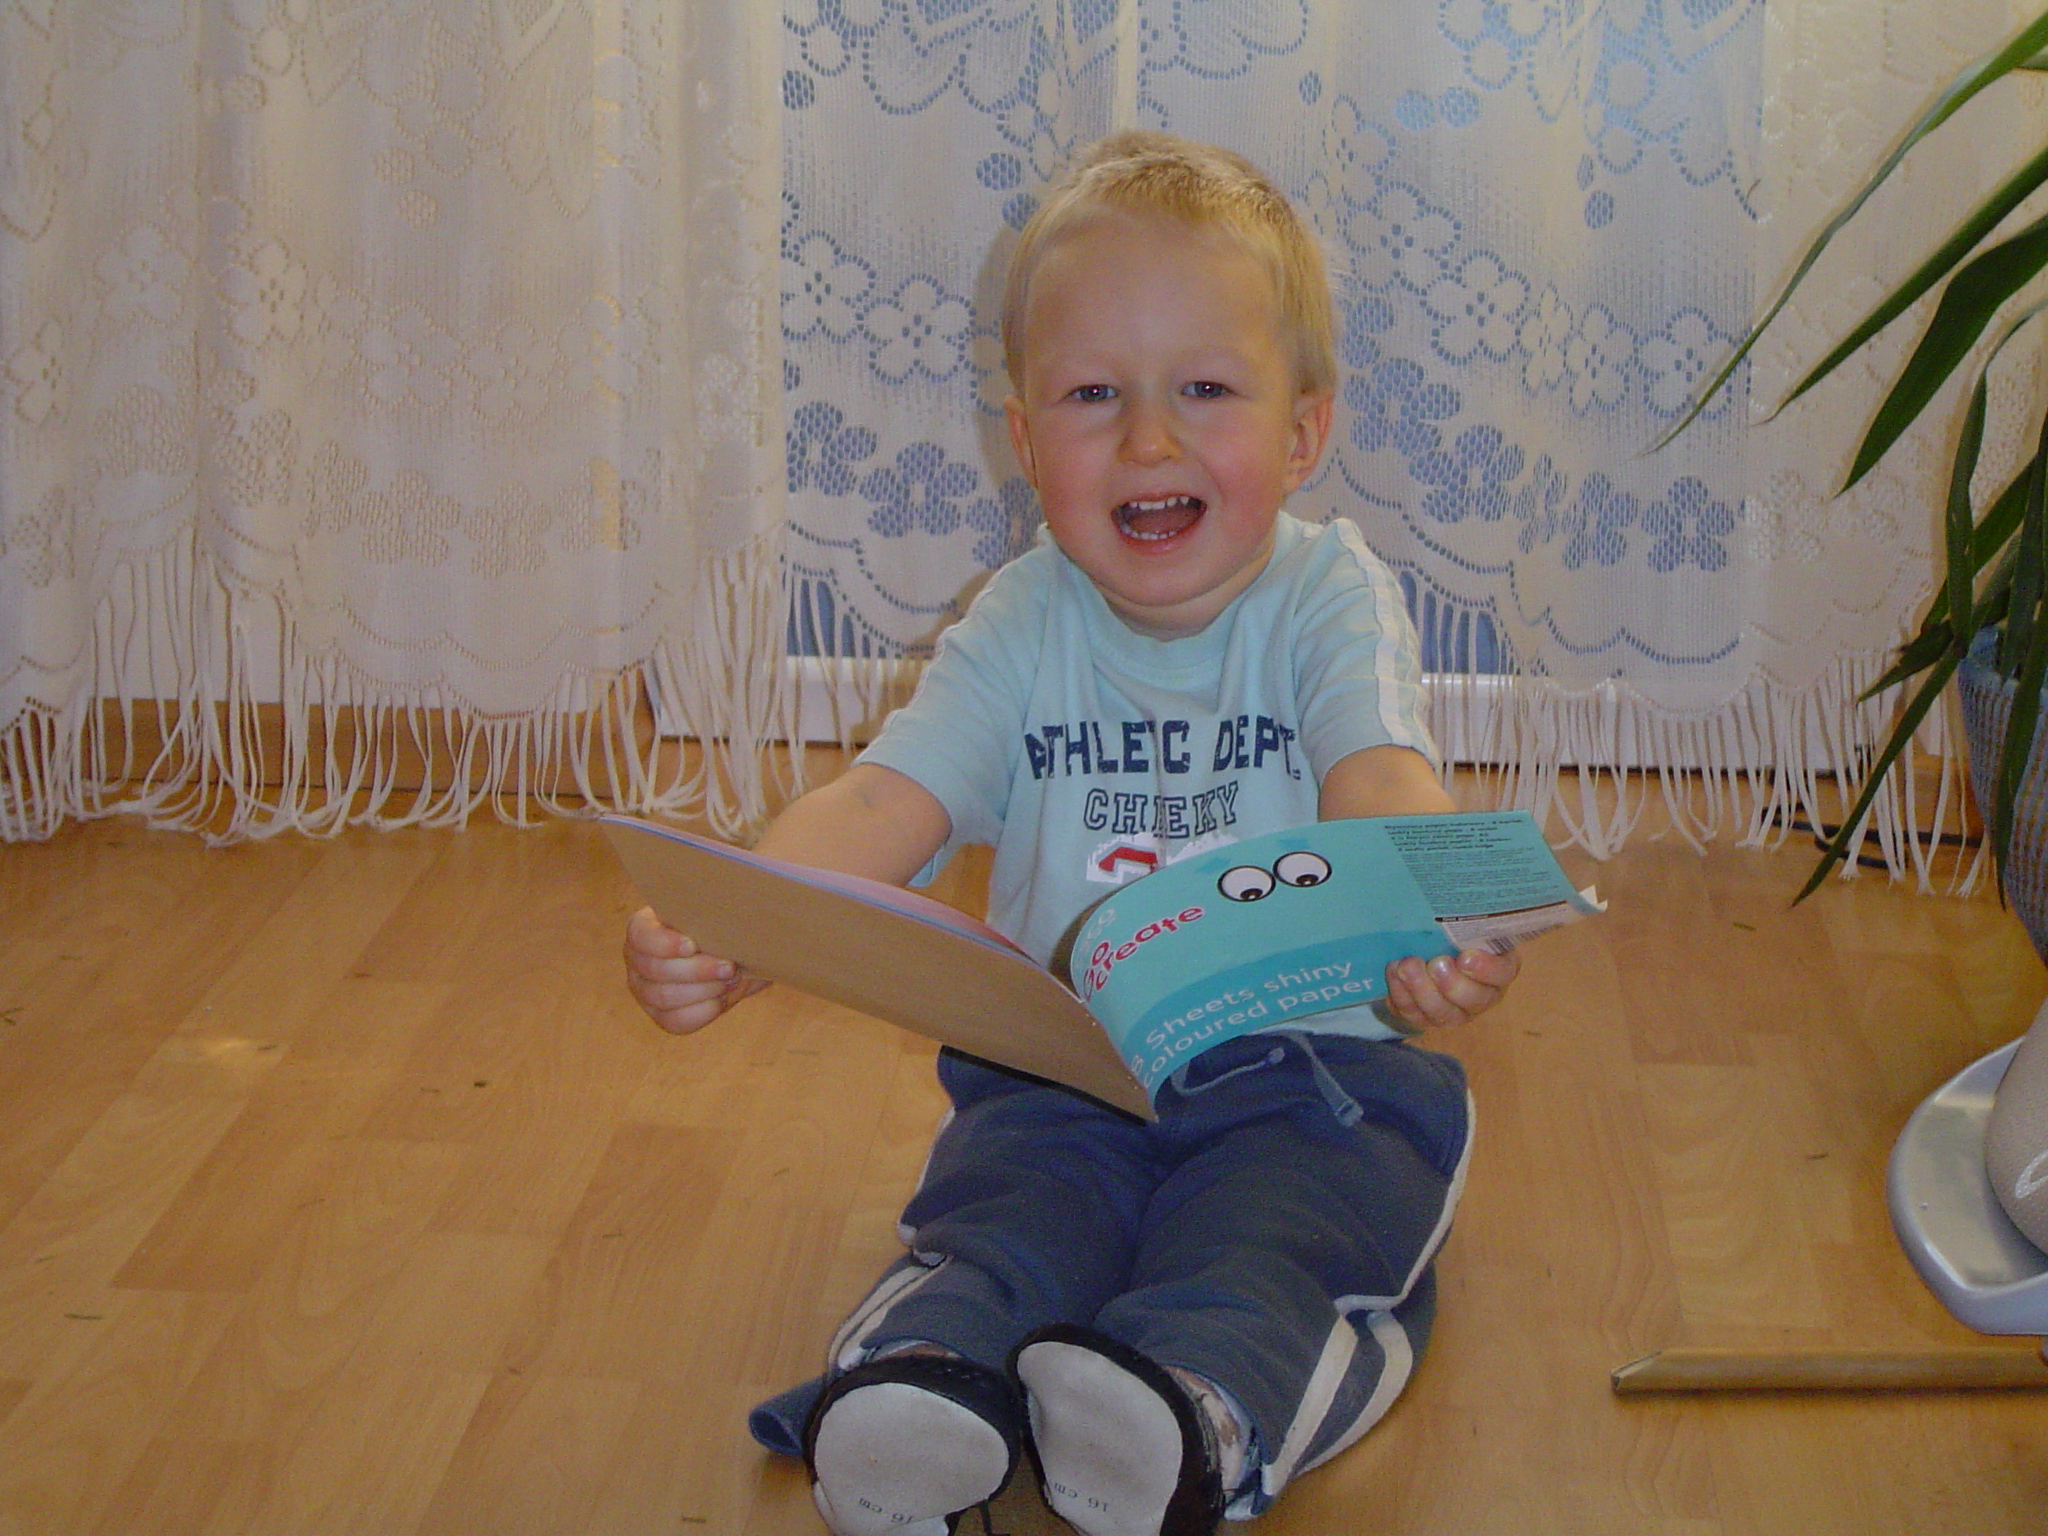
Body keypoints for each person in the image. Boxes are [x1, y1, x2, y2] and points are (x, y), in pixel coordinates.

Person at [623, 132, 1519, 1536]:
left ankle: (1201, 1408)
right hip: (1066, 1075)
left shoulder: (1327, 597)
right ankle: (920, 1385)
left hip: (1313, 1080)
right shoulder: (1023, 619)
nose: (1148, 440)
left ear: (1302, 433)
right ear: (1028, 438)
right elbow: (884, 801)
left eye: (1204, 390)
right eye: (1094, 395)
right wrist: (744, 915)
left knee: (1268, 1246)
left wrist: (1436, 906)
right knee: (1005, 1223)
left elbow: (1380, 773)